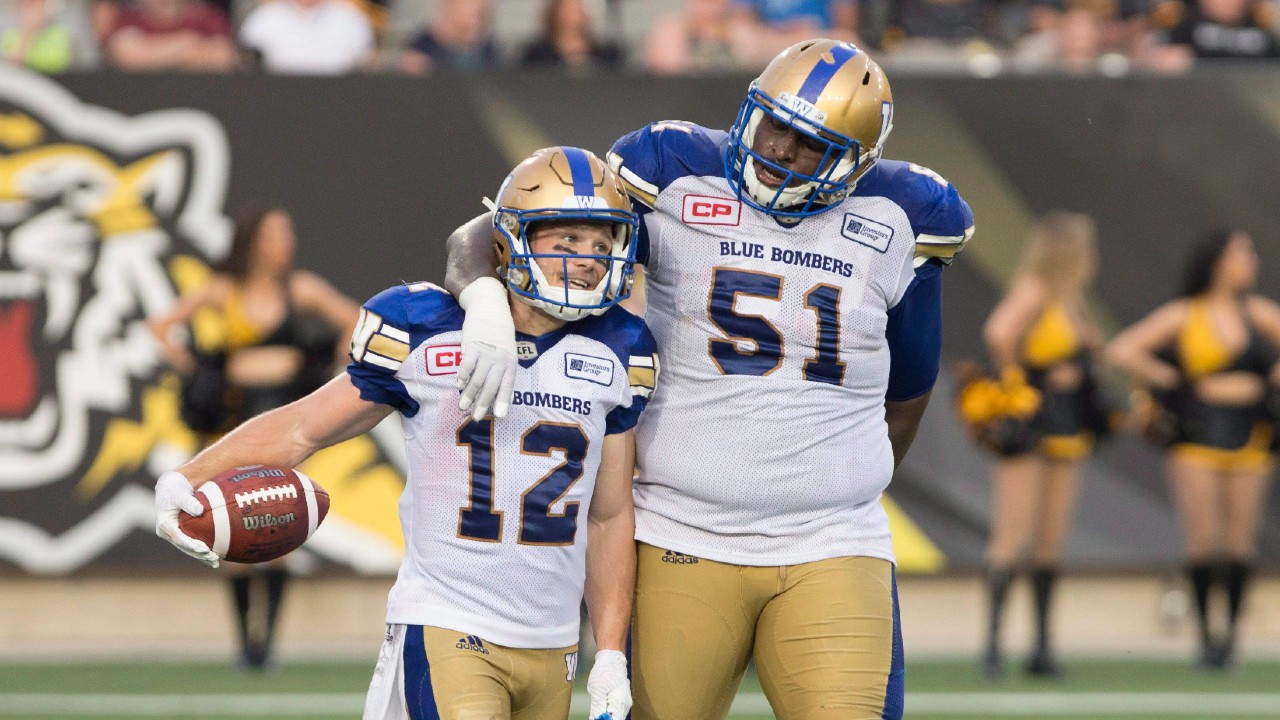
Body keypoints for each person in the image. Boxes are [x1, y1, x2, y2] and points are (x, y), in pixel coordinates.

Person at [445, 39, 973, 720]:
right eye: (773, 123)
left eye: (806, 143)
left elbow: (908, 393)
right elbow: (490, 231)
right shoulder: (671, 169)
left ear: (857, 161)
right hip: (680, 532)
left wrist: (832, 489)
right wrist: (484, 302)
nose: (777, 150)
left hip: (832, 542)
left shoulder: (905, 216)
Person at [155, 147, 654, 719]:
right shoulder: (427, 328)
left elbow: (610, 514)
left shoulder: (621, 347)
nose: (587, 261)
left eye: (600, 245)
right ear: (511, 240)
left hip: (555, 640)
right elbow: (301, 428)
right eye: (566, 242)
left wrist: (611, 651)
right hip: (448, 620)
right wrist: (188, 474)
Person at [148, 205, 361, 669]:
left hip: (282, 419)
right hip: (234, 420)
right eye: (277, 233)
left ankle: (268, 646)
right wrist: (202, 371)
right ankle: (246, 641)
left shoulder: (299, 288)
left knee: (279, 523)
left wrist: (324, 370)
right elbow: (162, 326)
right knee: (232, 531)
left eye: (288, 233)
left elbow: (355, 320)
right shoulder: (225, 291)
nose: (287, 241)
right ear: (255, 242)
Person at [1106, 228, 1280, 670]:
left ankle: (1232, 637)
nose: (1250, 261)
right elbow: (1123, 349)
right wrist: (1170, 379)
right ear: (1218, 261)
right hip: (1198, 432)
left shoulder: (1258, 312)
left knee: (1241, 542)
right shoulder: (1186, 313)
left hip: (1252, 432)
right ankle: (1206, 636)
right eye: (1242, 253)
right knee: (1203, 540)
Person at [967, 212, 1107, 679]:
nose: (1092, 258)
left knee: (1050, 539)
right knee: (1013, 531)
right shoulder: (1036, 289)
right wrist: (1017, 383)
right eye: (1084, 249)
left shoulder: (1069, 300)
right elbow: (999, 333)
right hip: (1030, 425)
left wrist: (1076, 367)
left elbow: (1092, 350)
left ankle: (1042, 648)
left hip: (1065, 424)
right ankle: (992, 648)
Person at [238, 0, 374, 75]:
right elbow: (247, 65)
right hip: (277, 102)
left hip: (341, 103)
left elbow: (367, 64)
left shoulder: (351, 19)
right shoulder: (263, 19)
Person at [103, 0, 236, 71]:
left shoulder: (209, 18)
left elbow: (222, 57)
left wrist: (151, 54)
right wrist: (189, 42)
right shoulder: (128, 18)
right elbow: (126, 56)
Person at [517, 0, 623, 73]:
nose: (574, 12)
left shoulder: (607, 54)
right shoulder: (537, 55)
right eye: (569, 8)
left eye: (578, 7)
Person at [398, 0, 498, 75]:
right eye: (470, 5)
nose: (477, 17)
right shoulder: (422, 51)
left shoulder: (491, 53)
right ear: (449, 6)